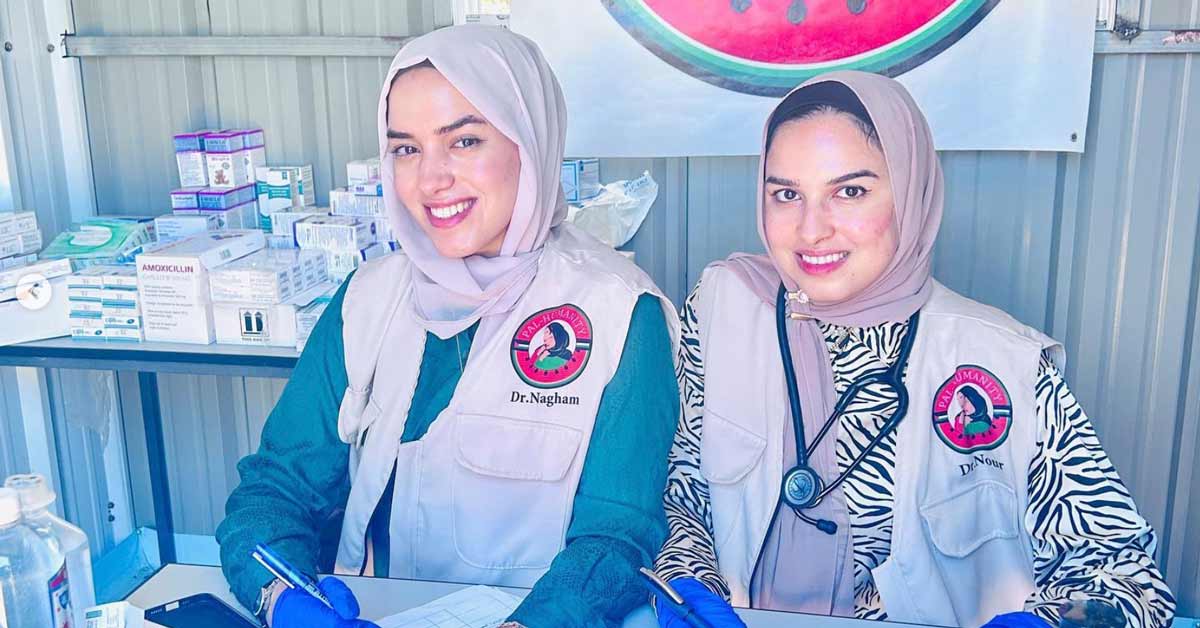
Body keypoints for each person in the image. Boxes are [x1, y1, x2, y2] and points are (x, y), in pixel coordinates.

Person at [652, 71, 1176, 628]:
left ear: (912, 191)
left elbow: (1128, 581)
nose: (810, 230)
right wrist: (686, 582)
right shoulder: (720, 313)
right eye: (787, 194)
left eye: (849, 191)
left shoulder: (1003, 362)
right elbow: (685, 499)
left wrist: (1053, 623)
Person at [216, 25, 680, 628]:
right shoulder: (366, 297)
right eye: (406, 148)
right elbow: (273, 489)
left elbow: (618, 537)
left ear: (530, 143)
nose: (430, 180)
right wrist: (281, 598)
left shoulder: (619, 312)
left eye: (463, 141)